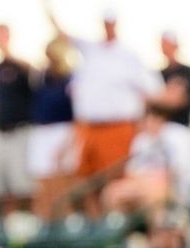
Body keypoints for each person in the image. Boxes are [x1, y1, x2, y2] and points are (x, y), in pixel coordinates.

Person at [50, 9, 164, 216]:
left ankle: (112, 221)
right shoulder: (91, 50)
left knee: (115, 180)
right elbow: (63, 34)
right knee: (85, 180)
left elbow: (151, 91)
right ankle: (94, 221)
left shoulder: (129, 55)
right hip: (88, 129)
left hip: (118, 128)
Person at [100, 105, 190, 214]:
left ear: (163, 117)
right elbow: (132, 171)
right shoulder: (142, 139)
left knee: (152, 197)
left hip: (174, 185)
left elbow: (181, 169)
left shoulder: (179, 135)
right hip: (143, 183)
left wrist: (156, 179)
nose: (149, 121)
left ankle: (156, 229)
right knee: (110, 193)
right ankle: (118, 227)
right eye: (146, 117)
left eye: (155, 116)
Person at [0, 24, 35, 215]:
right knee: (0, 187)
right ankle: (8, 224)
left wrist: (6, 49)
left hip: (20, 132)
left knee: (23, 185)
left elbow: (31, 72)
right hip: (0, 132)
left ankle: (25, 222)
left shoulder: (21, 65)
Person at [28, 36, 76, 222]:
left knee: (62, 183)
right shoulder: (41, 77)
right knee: (42, 184)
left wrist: (67, 143)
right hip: (42, 132)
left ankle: (65, 221)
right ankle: (43, 221)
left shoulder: (70, 79)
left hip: (63, 131)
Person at [157, 31, 190, 127]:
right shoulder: (159, 74)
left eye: (166, 43)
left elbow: (176, 101)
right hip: (161, 128)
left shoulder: (186, 72)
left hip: (180, 126)